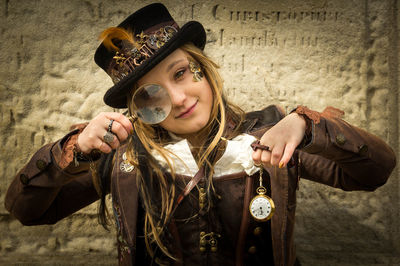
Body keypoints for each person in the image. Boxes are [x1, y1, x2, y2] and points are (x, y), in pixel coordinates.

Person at [4, 3, 396, 266]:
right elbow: (28, 211)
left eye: (180, 73)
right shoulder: (121, 156)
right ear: (137, 107)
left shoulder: (273, 132)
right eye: (151, 94)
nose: (177, 99)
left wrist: (308, 127)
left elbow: (374, 171)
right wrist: (70, 151)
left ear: (203, 67)